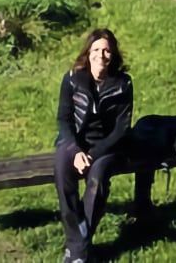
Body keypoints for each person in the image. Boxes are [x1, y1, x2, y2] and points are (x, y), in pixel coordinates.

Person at [54, 28, 134, 263]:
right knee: (61, 171)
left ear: (114, 55)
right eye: (97, 49)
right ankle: (79, 246)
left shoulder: (123, 84)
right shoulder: (72, 78)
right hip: (73, 143)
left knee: (97, 179)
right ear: (88, 52)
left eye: (107, 50)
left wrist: (92, 154)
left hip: (107, 147)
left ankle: (76, 251)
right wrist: (76, 151)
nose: (101, 55)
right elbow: (63, 119)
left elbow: (122, 128)